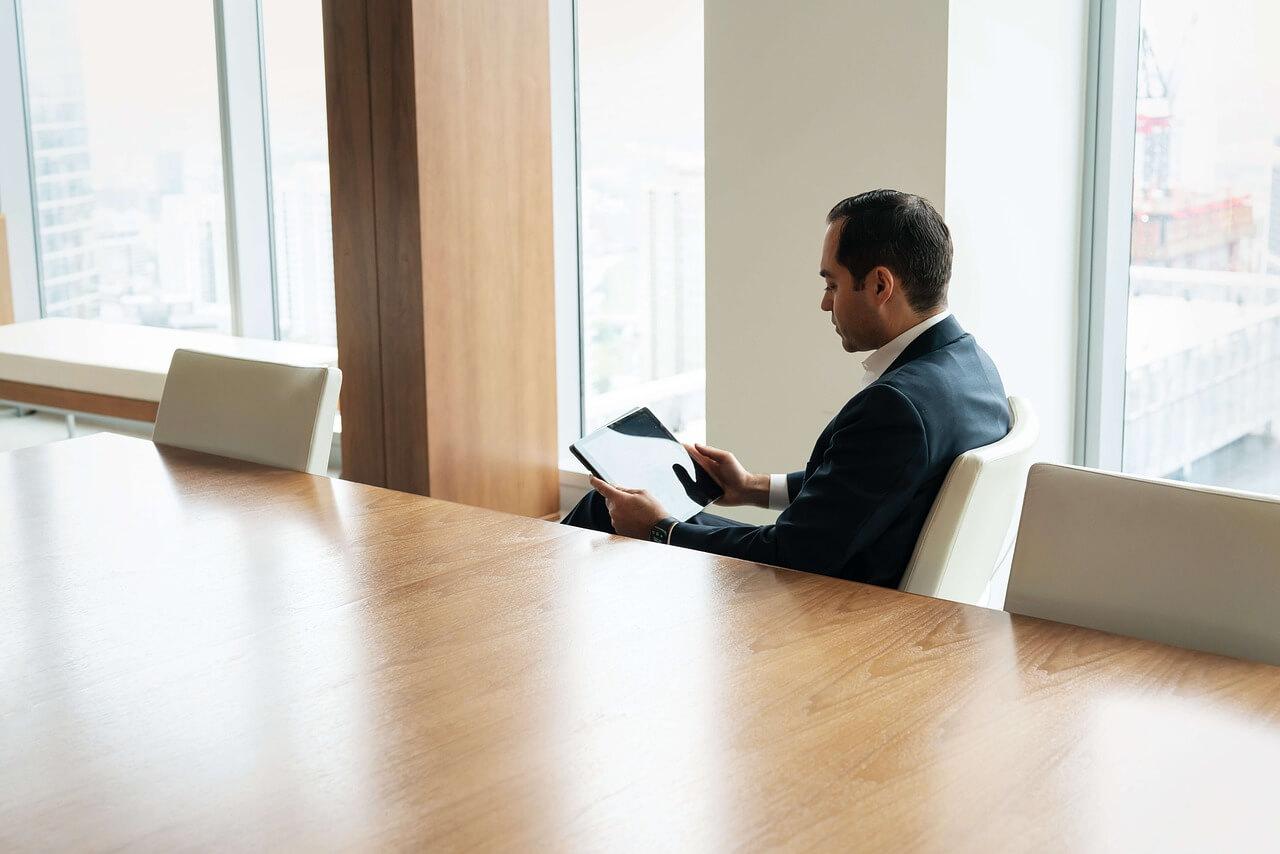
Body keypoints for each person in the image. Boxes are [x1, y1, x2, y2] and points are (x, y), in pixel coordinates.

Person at [561, 189, 1009, 588]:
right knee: (620, 511)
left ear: (879, 285)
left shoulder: (895, 407)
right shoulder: (973, 367)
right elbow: (865, 489)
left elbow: (790, 555)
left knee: (604, 512)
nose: (825, 302)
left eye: (832, 284)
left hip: (829, 604)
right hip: (858, 580)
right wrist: (753, 487)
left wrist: (662, 530)